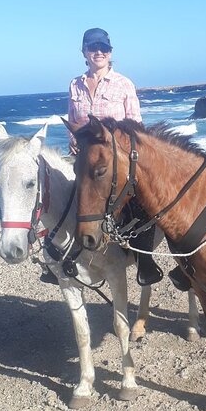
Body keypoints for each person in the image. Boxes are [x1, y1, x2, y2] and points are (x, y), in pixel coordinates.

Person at [65, 27, 163, 287]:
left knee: (141, 204)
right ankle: (65, 254)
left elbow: (137, 126)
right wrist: (73, 142)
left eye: (103, 48)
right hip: (88, 158)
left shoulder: (123, 84)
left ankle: (145, 261)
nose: (98, 52)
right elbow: (74, 123)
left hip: (118, 160)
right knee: (67, 198)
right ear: (84, 52)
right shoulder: (75, 84)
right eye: (93, 47)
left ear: (110, 52)